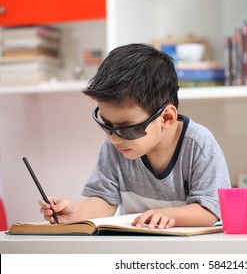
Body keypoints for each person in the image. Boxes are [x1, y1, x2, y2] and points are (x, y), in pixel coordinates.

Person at [39, 43, 231, 229]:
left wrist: (170, 215)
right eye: (106, 125)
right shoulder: (117, 146)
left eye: (127, 128)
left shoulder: (198, 144)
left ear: (166, 117)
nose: (114, 138)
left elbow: (211, 209)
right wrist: (77, 211)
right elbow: (105, 199)